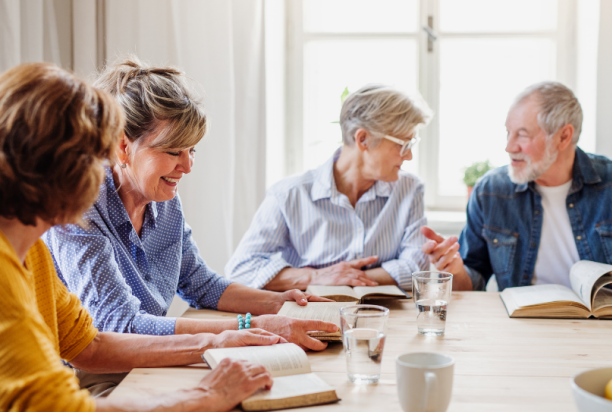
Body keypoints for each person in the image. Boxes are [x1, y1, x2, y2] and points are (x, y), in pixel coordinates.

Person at [0, 62, 286, 412]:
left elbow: (88, 347)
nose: (102, 169)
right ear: (55, 164)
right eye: (95, 154)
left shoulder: (33, 255)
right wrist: (205, 395)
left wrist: (219, 340)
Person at [43, 57, 337, 356]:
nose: (187, 166)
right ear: (122, 146)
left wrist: (279, 302)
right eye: (173, 151)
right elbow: (118, 325)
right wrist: (250, 325)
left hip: (150, 358)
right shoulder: (80, 210)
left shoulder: (164, 201)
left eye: (191, 150)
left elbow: (199, 283)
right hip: (86, 375)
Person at [421, 81, 612, 301]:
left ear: (563, 136)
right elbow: (472, 282)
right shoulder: (491, 191)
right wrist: (453, 269)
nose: (509, 146)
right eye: (508, 132)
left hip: (609, 328)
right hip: (522, 327)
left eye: (522, 135)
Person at [226, 84, 432, 291]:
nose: (409, 156)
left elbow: (417, 267)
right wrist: (316, 277)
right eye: (403, 145)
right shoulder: (289, 194)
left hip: (386, 316)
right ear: (363, 139)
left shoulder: (410, 188)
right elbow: (241, 269)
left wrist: (344, 277)